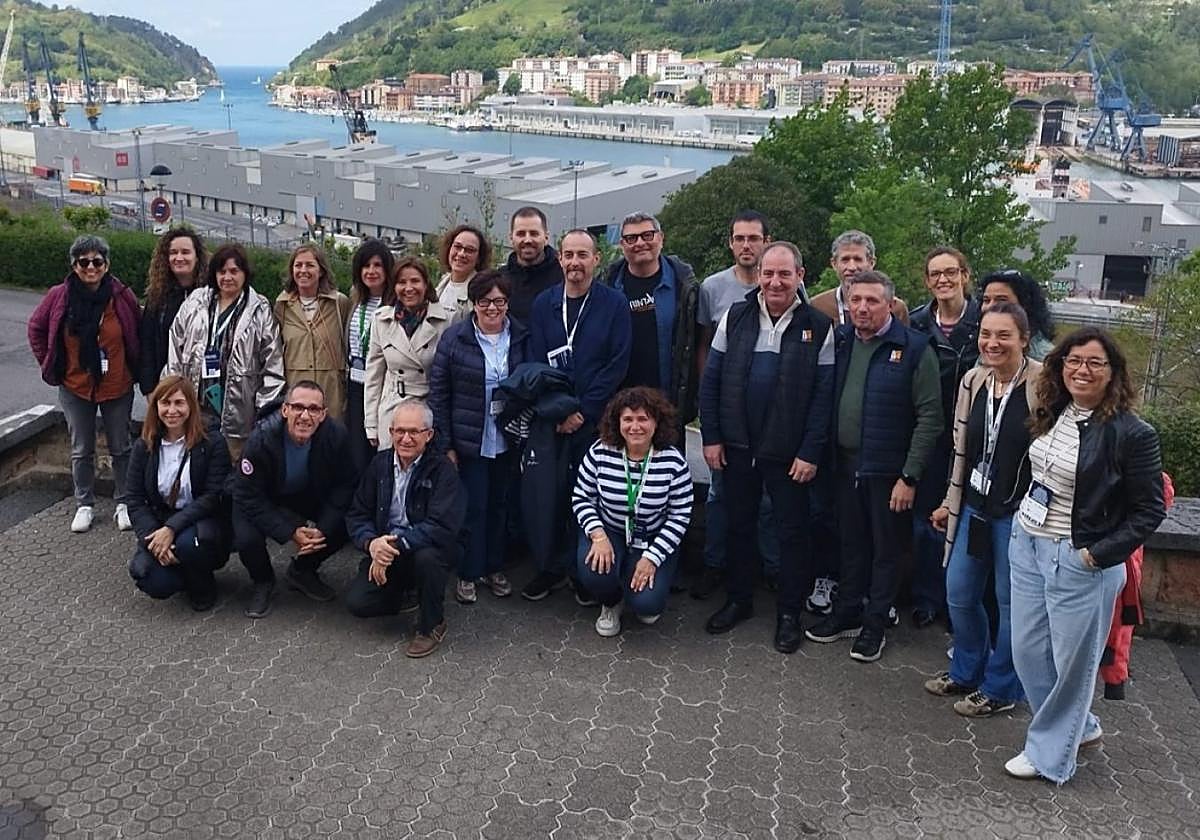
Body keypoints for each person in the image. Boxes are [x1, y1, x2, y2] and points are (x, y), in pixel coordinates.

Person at [1004, 328, 1165, 783]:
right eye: (1074, 361)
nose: (1082, 370)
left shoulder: (1132, 433)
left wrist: (1096, 556)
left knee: (1071, 666)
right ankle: (1081, 727)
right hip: (1028, 544)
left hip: (1078, 558)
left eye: (1095, 362)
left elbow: (1149, 510)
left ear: (1113, 373)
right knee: (1028, 653)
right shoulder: (1055, 410)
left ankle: (1050, 756)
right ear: (1060, 366)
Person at [699, 242, 835, 653]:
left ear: (800, 276)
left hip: (789, 454)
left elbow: (823, 398)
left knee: (792, 533)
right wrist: (711, 436)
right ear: (758, 275)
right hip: (737, 446)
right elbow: (712, 380)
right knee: (739, 526)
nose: (776, 282)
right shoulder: (735, 316)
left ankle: (789, 614)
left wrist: (810, 452)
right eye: (769, 273)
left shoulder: (818, 326)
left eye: (784, 274)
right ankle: (739, 600)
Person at [805, 270, 943, 663]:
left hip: (889, 472)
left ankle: (875, 624)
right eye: (856, 299)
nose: (862, 307)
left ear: (890, 305)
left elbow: (930, 418)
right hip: (845, 466)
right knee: (851, 544)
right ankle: (848, 610)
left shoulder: (915, 349)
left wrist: (909, 476)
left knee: (887, 550)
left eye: (872, 300)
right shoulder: (841, 341)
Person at [925, 304, 1040, 717]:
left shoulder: (1043, 383)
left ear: (1024, 339)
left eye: (1004, 335)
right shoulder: (973, 380)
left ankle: (1001, 687)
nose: (992, 343)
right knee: (959, 593)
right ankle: (967, 669)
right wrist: (948, 501)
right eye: (986, 334)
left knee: (1011, 604)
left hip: (1018, 515)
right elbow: (963, 451)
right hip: (974, 506)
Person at [524, 229, 632, 600]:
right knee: (549, 495)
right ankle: (550, 567)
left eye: (582, 255)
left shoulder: (614, 304)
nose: (575, 262)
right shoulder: (544, 303)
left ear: (596, 259)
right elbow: (536, 362)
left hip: (595, 420)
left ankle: (581, 571)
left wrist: (582, 412)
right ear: (559, 259)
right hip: (553, 418)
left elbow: (617, 364)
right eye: (568, 255)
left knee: (587, 495)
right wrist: (558, 410)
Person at [692, 210, 780, 601]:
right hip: (728, 412)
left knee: (768, 498)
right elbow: (703, 347)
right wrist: (706, 400)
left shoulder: (783, 284)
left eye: (754, 238)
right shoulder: (712, 287)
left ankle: (770, 568)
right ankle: (715, 564)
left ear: (766, 241)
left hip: (770, 414)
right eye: (739, 238)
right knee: (719, 493)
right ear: (730, 243)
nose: (747, 245)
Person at [28, 234, 140, 534]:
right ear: (74, 265)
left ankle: (124, 502)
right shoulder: (60, 296)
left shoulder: (121, 296)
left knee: (121, 447)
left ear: (107, 264)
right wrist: (49, 362)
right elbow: (36, 328)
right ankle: (84, 504)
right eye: (83, 262)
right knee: (81, 448)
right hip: (75, 385)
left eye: (97, 261)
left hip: (116, 384)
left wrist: (136, 367)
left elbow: (137, 330)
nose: (91, 267)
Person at [428, 270, 528, 604]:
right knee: (473, 507)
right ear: (473, 303)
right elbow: (439, 394)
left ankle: (494, 567)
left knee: (500, 505)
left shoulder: (521, 337)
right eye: (485, 301)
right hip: (469, 440)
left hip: (508, 438)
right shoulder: (455, 339)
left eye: (500, 301)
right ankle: (469, 572)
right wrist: (445, 444)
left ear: (508, 303)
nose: (492, 308)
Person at [345, 399, 464, 658]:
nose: (406, 439)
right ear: (390, 432)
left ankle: (432, 624)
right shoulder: (379, 464)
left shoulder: (443, 470)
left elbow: (441, 526)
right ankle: (409, 595)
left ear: (428, 435)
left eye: (414, 432)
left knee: (428, 560)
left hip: (424, 549)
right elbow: (357, 514)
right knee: (357, 603)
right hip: (387, 549)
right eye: (399, 431)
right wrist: (372, 544)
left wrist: (393, 546)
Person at [230, 380, 356, 619]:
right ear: (285, 410)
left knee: (344, 522)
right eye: (298, 407)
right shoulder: (261, 439)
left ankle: (302, 571)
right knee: (247, 539)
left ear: (323, 414)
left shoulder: (336, 435)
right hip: (259, 495)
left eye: (313, 409)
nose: (305, 416)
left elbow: (345, 485)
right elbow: (248, 496)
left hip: (302, 493)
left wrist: (323, 528)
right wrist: (290, 532)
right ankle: (263, 582)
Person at [573, 387, 692, 637]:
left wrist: (652, 558)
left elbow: (680, 516)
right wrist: (597, 535)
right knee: (595, 572)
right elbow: (582, 496)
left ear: (656, 422)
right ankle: (611, 602)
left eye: (642, 419)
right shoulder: (599, 451)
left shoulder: (674, 461)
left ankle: (639, 583)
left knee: (647, 605)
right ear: (618, 423)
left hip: (652, 536)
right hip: (609, 530)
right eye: (628, 419)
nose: (635, 427)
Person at [907, 247, 983, 628]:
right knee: (926, 519)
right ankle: (926, 597)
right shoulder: (916, 323)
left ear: (965, 275)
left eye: (951, 272)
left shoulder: (984, 322)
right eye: (935, 273)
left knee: (966, 521)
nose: (943, 280)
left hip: (974, 436)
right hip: (930, 435)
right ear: (927, 281)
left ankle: (961, 604)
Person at [165, 242, 285, 461]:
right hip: (195, 405)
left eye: (234, 271)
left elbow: (272, 364)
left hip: (239, 412)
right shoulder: (196, 302)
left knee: (234, 468)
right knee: (194, 465)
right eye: (222, 271)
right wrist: (174, 390)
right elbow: (175, 343)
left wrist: (263, 410)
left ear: (245, 274)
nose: (227, 277)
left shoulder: (260, 310)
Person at [125, 376, 231, 611]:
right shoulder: (144, 445)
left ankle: (202, 584)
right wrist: (153, 539)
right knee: (146, 575)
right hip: (160, 522)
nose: (172, 410)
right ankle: (184, 575)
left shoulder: (212, 441)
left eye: (179, 403)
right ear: (156, 407)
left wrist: (171, 529)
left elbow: (212, 496)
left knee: (189, 546)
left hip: (201, 520)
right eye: (165, 403)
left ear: (191, 406)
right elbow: (134, 499)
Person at [604, 212, 701, 423]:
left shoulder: (684, 286)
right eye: (631, 238)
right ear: (622, 244)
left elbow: (697, 346)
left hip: (668, 407)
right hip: (619, 408)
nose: (640, 243)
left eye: (647, 235)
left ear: (661, 238)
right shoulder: (607, 286)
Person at [363, 257, 451, 450]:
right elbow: (374, 374)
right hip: (392, 408)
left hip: (429, 410)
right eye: (402, 282)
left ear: (426, 284)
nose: (408, 288)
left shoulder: (445, 320)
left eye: (415, 281)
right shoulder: (381, 320)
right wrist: (371, 423)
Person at [274, 245, 352, 420]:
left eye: (309, 265)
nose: (303, 270)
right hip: (296, 392)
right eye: (298, 265)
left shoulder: (339, 303)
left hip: (331, 394)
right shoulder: (282, 306)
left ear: (321, 270)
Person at [346, 239, 396, 469]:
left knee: (379, 448)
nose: (371, 271)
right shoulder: (355, 299)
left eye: (377, 265)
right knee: (356, 451)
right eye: (366, 266)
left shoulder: (395, 303)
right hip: (356, 384)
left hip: (382, 386)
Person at [139, 228, 206, 396]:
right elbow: (147, 344)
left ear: (197, 257)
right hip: (166, 388)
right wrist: (149, 389)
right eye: (173, 252)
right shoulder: (157, 297)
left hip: (204, 389)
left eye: (185, 252)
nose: (179, 257)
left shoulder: (211, 295)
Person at [810, 230, 910, 327]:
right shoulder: (818, 306)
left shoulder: (894, 307)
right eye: (845, 260)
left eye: (858, 259)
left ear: (871, 263)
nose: (852, 267)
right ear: (834, 264)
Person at [501, 206, 563, 324]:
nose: (527, 240)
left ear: (546, 237)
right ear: (511, 238)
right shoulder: (500, 279)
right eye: (521, 234)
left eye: (534, 234)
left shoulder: (564, 277)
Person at [978, 269, 1056, 360]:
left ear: (1025, 305)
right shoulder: (986, 347)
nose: (990, 306)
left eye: (1001, 300)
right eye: (986, 300)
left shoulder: (1045, 359)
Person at [437, 224, 492, 322]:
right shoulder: (442, 284)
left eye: (469, 250)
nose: (461, 254)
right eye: (457, 246)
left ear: (479, 258)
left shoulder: (482, 292)